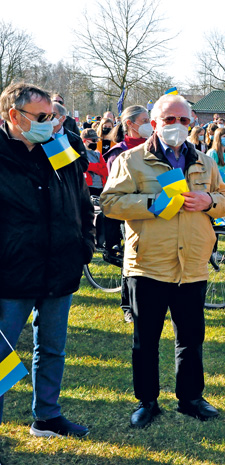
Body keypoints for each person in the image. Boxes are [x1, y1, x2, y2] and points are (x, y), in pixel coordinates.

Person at [101, 94, 225, 428]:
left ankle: (190, 398)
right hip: (148, 264)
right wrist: (152, 203)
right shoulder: (132, 160)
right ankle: (147, 401)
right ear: (155, 123)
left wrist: (208, 200)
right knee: (146, 338)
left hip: (192, 265)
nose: (177, 126)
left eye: (184, 121)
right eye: (169, 120)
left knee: (191, 336)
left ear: (192, 124)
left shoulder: (205, 161)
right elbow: (110, 203)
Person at [0, 82, 94, 437]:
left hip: (60, 268)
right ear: (14, 116)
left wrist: (84, 244)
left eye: (53, 116)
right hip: (11, 275)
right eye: (42, 117)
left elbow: (82, 200)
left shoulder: (60, 147)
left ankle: (47, 416)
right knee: (1, 358)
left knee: (52, 348)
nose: (51, 123)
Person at [101, 105, 153, 323]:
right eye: (144, 120)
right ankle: (128, 305)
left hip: (154, 212)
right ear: (130, 124)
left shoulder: (153, 147)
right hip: (131, 213)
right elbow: (116, 189)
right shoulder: (118, 152)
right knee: (130, 259)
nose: (149, 125)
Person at [82, 128, 108, 197]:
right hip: (87, 187)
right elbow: (84, 166)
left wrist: (92, 166)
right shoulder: (80, 153)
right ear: (84, 141)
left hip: (100, 187)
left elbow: (105, 171)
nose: (96, 142)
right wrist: (98, 166)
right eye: (93, 140)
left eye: (97, 140)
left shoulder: (97, 154)